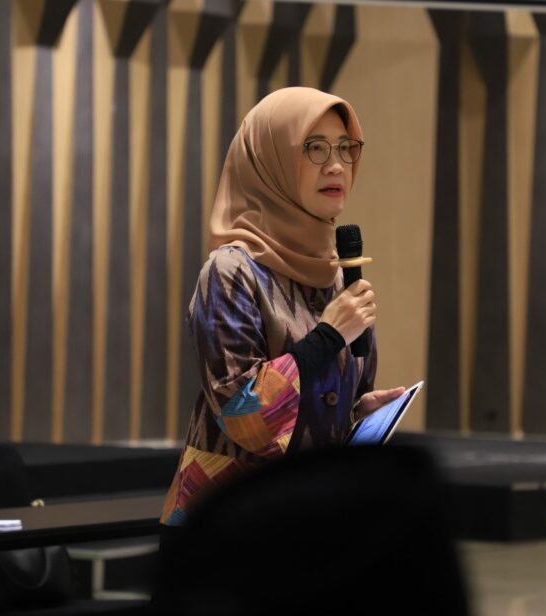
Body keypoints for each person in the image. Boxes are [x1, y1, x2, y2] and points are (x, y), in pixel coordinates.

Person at [159, 87, 405, 538]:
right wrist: (329, 337)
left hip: (312, 515)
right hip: (230, 528)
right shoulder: (231, 271)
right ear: (270, 161)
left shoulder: (336, 274)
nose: (336, 165)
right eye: (315, 148)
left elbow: (314, 399)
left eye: (345, 148)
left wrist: (356, 411)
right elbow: (242, 414)